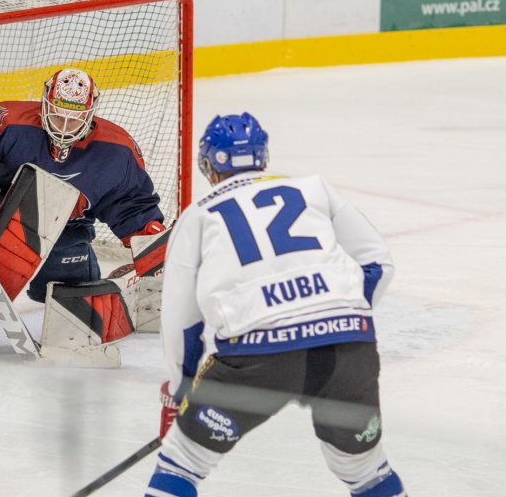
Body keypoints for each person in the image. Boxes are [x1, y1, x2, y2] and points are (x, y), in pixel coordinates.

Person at [147, 113, 407, 497]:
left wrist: (183, 386)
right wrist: (340, 315)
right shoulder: (314, 187)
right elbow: (378, 265)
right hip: (348, 351)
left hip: (257, 360)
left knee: (184, 461)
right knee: (365, 470)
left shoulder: (197, 215)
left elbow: (181, 319)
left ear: (208, 165)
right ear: (262, 156)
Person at [0, 67, 166, 303]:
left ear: (90, 114)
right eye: (58, 115)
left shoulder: (116, 151)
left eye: (73, 120)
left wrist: (147, 234)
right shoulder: (8, 121)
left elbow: (130, 202)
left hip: (65, 232)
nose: (63, 127)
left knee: (72, 298)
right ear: (45, 104)